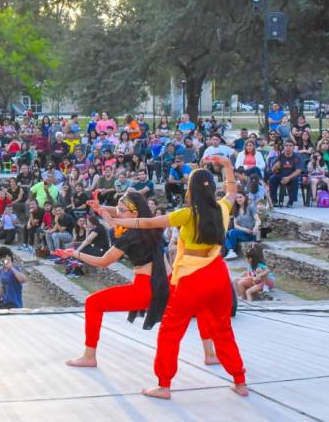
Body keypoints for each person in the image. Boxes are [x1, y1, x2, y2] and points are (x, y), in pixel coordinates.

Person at [102, 155, 247, 399]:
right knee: (223, 329)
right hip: (219, 274)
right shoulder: (222, 208)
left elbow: (149, 222)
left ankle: (164, 385)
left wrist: (116, 220)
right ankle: (240, 381)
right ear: (212, 188)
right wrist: (229, 167)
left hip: (192, 276)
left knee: (170, 330)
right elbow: (231, 191)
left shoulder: (187, 214)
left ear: (190, 190)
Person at [62, 192, 169, 368]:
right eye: (117, 209)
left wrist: (75, 253)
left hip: (145, 288)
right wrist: (101, 209)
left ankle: (89, 356)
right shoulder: (150, 225)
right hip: (164, 283)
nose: (117, 214)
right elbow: (120, 213)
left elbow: (104, 262)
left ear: (134, 214)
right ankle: (210, 352)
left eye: (121, 211)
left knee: (93, 303)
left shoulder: (131, 235)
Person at [223, 193, 261, 260]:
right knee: (225, 233)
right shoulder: (235, 209)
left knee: (231, 232)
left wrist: (256, 227)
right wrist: (244, 229)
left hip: (251, 233)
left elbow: (258, 220)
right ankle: (231, 251)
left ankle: (231, 251)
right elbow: (235, 225)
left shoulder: (250, 207)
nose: (238, 199)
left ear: (245, 198)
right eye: (237, 197)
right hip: (242, 232)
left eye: (240, 197)